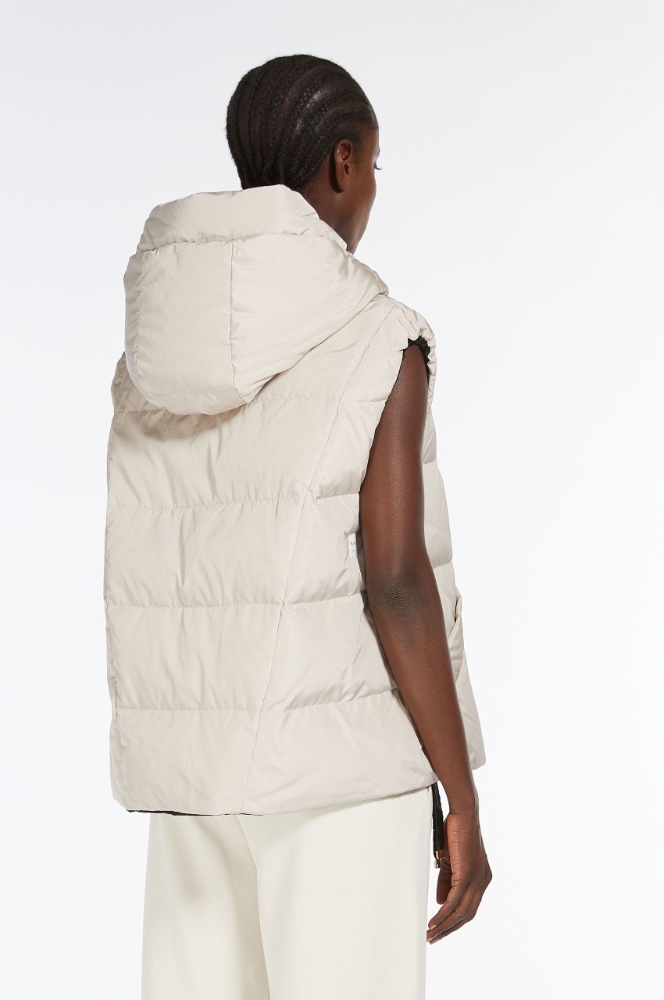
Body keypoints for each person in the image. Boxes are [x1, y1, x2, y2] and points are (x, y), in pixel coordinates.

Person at [104, 53, 491, 1000]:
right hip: (338, 779)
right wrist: (460, 791)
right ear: (343, 162)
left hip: (193, 783)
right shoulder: (378, 335)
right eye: (374, 167)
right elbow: (395, 577)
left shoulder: (153, 348)